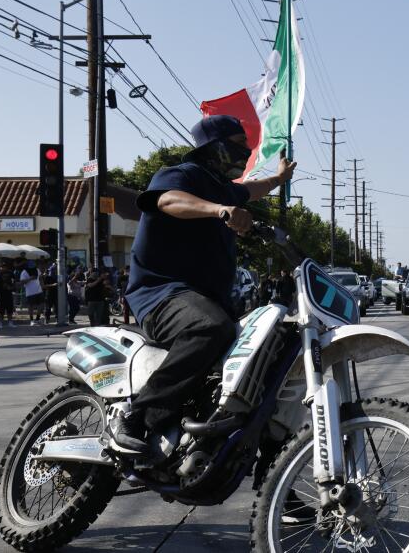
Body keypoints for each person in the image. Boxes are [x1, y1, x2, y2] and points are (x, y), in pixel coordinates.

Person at [109, 114, 294, 454]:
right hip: (162, 294)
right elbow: (168, 200)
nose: (247, 150)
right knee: (210, 328)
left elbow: (251, 190)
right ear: (214, 146)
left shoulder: (223, 187)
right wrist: (219, 210)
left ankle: (274, 470)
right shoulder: (181, 175)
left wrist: (278, 179)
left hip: (208, 298)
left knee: (273, 344)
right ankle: (137, 417)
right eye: (239, 144)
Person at [0, 262, 16, 328]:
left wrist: (11, 287)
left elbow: (14, 282)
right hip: (1, 294)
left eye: (4, 266)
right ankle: (0, 323)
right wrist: (1, 287)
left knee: (9, 309)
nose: (3, 267)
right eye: (2, 266)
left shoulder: (11, 273)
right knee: (1, 310)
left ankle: (10, 322)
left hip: (9, 294)